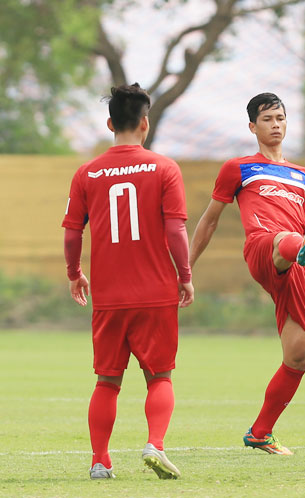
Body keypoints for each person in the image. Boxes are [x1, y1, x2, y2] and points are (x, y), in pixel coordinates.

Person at [189, 92, 305, 455]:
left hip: (295, 267)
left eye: (280, 118)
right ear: (252, 127)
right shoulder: (238, 168)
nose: (275, 125)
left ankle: (261, 432)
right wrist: (186, 268)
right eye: (267, 120)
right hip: (264, 247)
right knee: (286, 239)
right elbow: (209, 221)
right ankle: (302, 244)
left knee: (299, 353)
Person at [62, 83, 194, 480]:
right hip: (155, 292)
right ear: (144, 123)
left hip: (109, 296)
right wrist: (184, 276)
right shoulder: (165, 168)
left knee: (107, 380)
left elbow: (71, 234)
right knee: (160, 376)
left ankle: (100, 462)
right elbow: (175, 232)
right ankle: (155, 444)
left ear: (109, 124)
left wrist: (75, 274)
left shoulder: (87, 172)